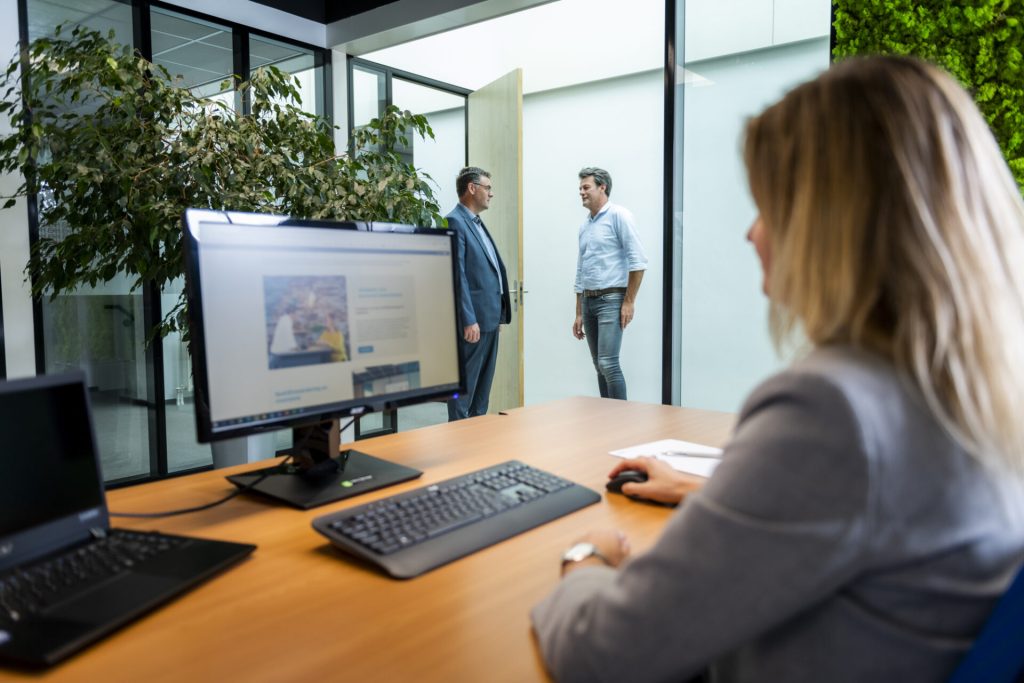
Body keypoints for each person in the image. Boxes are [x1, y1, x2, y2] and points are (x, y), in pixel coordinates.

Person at [532, 56, 1024, 682]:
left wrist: (583, 559)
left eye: (768, 207)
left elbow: (600, 651)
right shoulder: (970, 383)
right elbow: (888, 518)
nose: (752, 235)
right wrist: (712, 494)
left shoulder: (835, 408)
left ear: (835, 221)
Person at [572, 167, 647, 399]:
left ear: (602, 187)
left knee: (608, 363)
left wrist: (629, 302)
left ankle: (620, 422)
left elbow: (638, 261)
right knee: (599, 365)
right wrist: (578, 312)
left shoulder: (619, 216)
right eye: (580, 189)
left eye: (586, 187)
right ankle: (607, 419)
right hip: (589, 300)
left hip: (611, 300)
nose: (581, 192)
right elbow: (581, 270)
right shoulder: (585, 225)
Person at [446, 166, 511, 421]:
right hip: (473, 322)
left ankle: (476, 439)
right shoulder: (455, 221)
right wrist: (468, 318)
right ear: (472, 188)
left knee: (483, 390)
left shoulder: (476, 223)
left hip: (490, 319)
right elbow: (457, 274)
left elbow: (490, 270)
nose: (491, 194)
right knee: (466, 389)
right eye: (488, 187)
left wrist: (498, 315)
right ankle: (459, 439)